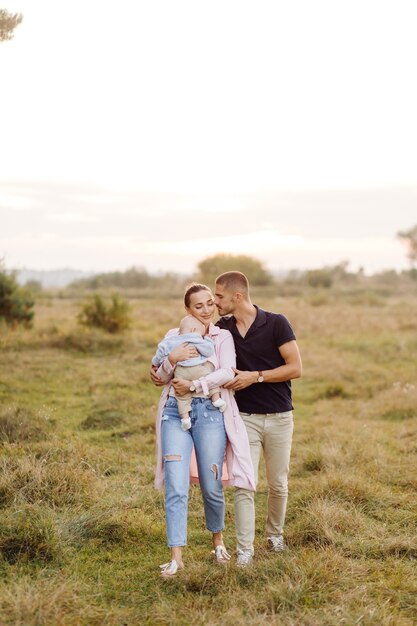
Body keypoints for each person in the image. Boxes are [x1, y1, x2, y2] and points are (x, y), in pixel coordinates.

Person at [152, 283, 255, 577]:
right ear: (187, 310)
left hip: (210, 411)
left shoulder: (221, 336)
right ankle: (176, 557)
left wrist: (196, 385)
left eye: (210, 303)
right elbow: (157, 376)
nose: (207, 310)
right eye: (199, 306)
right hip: (175, 413)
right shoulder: (173, 337)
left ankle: (218, 542)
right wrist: (171, 360)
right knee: (175, 483)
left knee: (212, 483)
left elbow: (226, 371)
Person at [214, 271, 302, 567]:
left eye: (219, 297)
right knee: (244, 484)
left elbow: (295, 367)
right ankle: (245, 551)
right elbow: (208, 360)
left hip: (279, 417)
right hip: (243, 419)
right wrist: (167, 363)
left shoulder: (277, 322)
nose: (215, 303)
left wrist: (257, 377)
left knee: (278, 483)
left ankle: (275, 535)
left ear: (237, 297)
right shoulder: (222, 328)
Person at [151, 314, 226, 431]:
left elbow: (161, 351)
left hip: (180, 372)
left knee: (181, 396)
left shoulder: (171, 340)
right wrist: (206, 340)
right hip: (197, 369)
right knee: (209, 376)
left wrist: (155, 363)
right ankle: (216, 398)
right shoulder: (196, 338)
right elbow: (208, 350)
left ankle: (185, 418)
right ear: (193, 330)